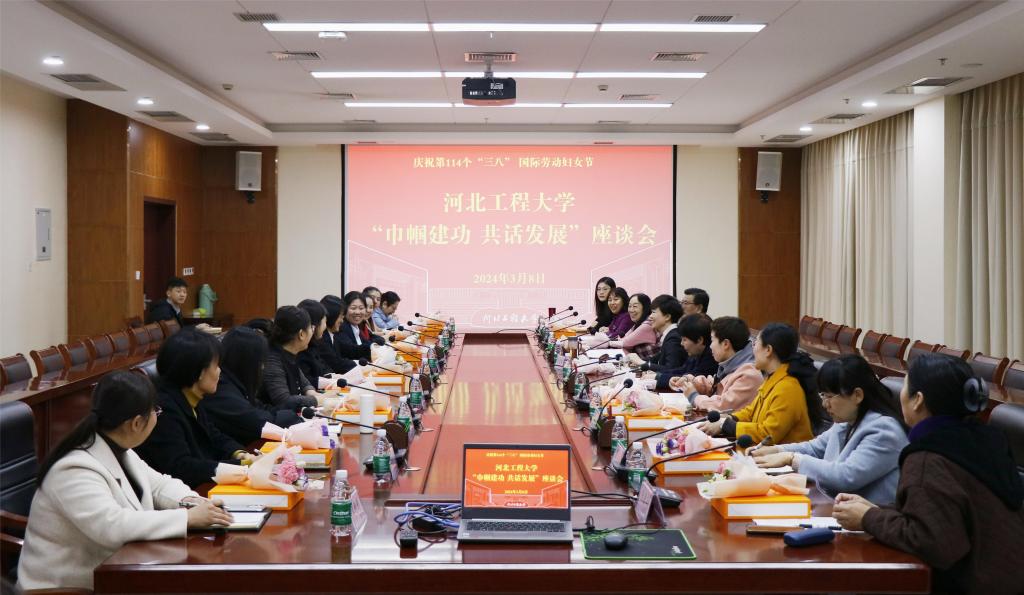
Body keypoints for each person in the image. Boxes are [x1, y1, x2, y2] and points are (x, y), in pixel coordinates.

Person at [17, 371, 232, 590]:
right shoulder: (72, 470)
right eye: (155, 411)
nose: (157, 416)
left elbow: (160, 485)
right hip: (63, 588)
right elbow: (113, 526)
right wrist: (186, 518)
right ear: (136, 423)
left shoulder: (120, 449)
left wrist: (193, 502)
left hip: (117, 573)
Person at [832, 354, 1024, 593]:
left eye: (905, 386)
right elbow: (941, 514)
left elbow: (933, 543)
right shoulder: (986, 439)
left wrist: (868, 518)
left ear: (918, 400)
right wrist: (876, 510)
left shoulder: (928, 457)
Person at [752, 355, 908, 504]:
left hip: (870, 518)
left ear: (857, 395)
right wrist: (776, 450)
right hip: (837, 507)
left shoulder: (885, 431)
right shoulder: (847, 420)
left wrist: (792, 459)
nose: (824, 404)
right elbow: (815, 448)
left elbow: (846, 476)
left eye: (829, 396)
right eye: (822, 395)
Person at [133, 328, 255, 488]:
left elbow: (214, 436)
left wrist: (241, 454)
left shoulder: (190, 396)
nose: (220, 371)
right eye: (216, 366)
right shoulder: (164, 410)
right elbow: (181, 467)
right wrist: (241, 465)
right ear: (199, 372)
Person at [700, 322, 824, 445]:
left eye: (755, 343)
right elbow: (750, 412)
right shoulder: (773, 377)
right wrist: (728, 418)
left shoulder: (788, 388)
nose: (752, 349)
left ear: (768, 350)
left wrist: (726, 426)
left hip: (779, 455)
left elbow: (768, 434)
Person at [201, 327, 304, 445]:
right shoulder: (220, 389)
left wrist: (297, 408)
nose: (262, 367)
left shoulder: (234, 382)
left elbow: (258, 408)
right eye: (260, 362)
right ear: (246, 361)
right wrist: (294, 415)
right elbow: (260, 422)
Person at [672, 316, 762, 412]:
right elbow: (714, 387)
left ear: (725, 344)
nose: (710, 346)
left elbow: (723, 406)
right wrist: (689, 382)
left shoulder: (749, 375)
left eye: (712, 340)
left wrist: (694, 397)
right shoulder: (730, 364)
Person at [259, 305, 321, 411]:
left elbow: (304, 383)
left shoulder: (289, 353)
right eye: (311, 327)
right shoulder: (272, 360)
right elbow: (284, 401)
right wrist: (318, 400)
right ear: (301, 334)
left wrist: (313, 393)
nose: (312, 331)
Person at [654, 313, 718, 391]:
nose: (681, 343)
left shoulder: (711, 357)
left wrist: (658, 377)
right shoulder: (696, 353)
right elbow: (683, 370)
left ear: (699, 340)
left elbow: (689, 380)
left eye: (684, 339)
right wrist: (657, 374)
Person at [629, 294, 684, 374]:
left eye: (653, 312)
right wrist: (637, 361)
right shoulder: (669, 334)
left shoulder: (673, 338)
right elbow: (655, 359)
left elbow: (671, 370)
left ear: (667, 317)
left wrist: (642, 363)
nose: (650, 317)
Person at [295, 299, 336, 388]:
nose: (325, 326)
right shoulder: (299, 349)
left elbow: (325, 367)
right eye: (324, 322)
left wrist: (334, 377)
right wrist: (330, 381)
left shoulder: (314, 344)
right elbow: (305, 382)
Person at [336, 291, 385, 360]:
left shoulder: (356, 326)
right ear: (345, 309)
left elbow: (368, 341)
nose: (357, 312)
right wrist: (372, 345)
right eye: (353, 308)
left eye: (361, 308)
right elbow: (352, 351)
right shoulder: (341, 327)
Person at [319, 295, 357, 374]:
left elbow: (348, 351)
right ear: (332, 316)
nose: (342, 321)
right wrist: (358, 365)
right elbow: (336, 364)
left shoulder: (333, 334)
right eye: (340, 317)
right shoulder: (322, 338)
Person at [613, 293, 658, 359]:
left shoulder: (648, 324)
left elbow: (625, 343)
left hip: (650, 364)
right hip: (641, 363)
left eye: (635, 306)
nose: (631, 310)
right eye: (629, 306)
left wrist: (607, 343)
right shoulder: (638, 324)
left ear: (645, 308)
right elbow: (623, 339)